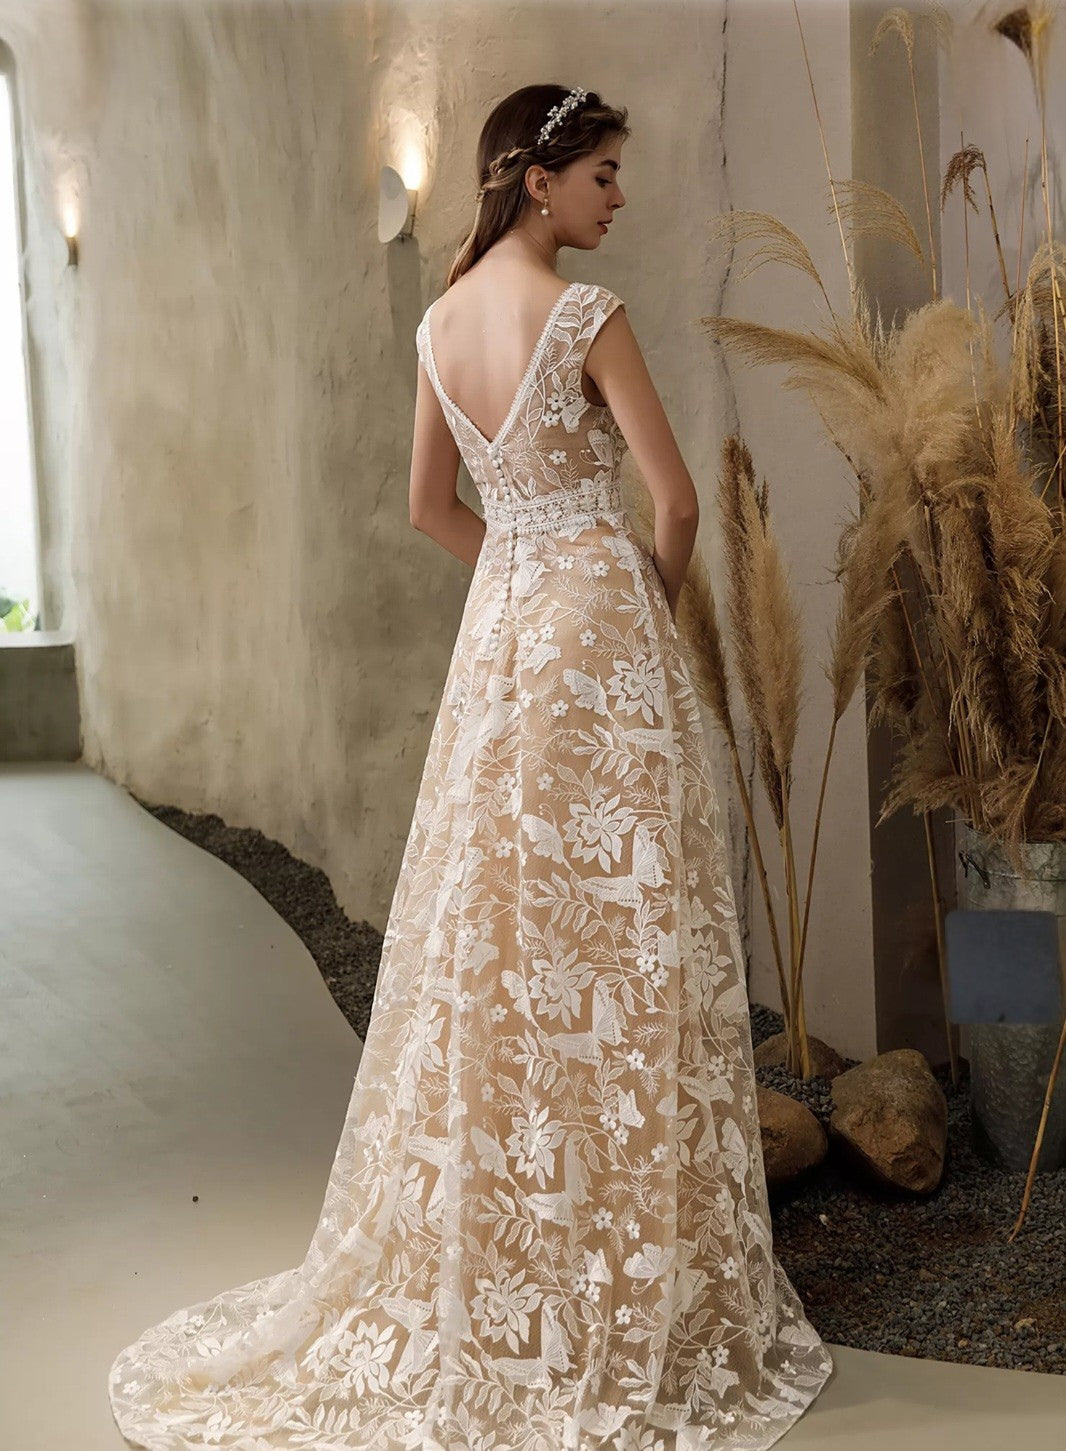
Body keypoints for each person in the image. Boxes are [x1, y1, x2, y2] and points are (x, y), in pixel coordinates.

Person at [109, 82, 834, 1451]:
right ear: (539, 180)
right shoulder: (584, 315)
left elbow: (426, 508)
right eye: (605, 174)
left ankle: (512, 1260)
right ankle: (616, 1277)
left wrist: (524, 568)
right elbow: (672, 502)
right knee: (616, 940)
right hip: (597, 642)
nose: (620, 198)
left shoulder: (441, 324)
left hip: (502, 647)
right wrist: (628, 600)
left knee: (500, 941)